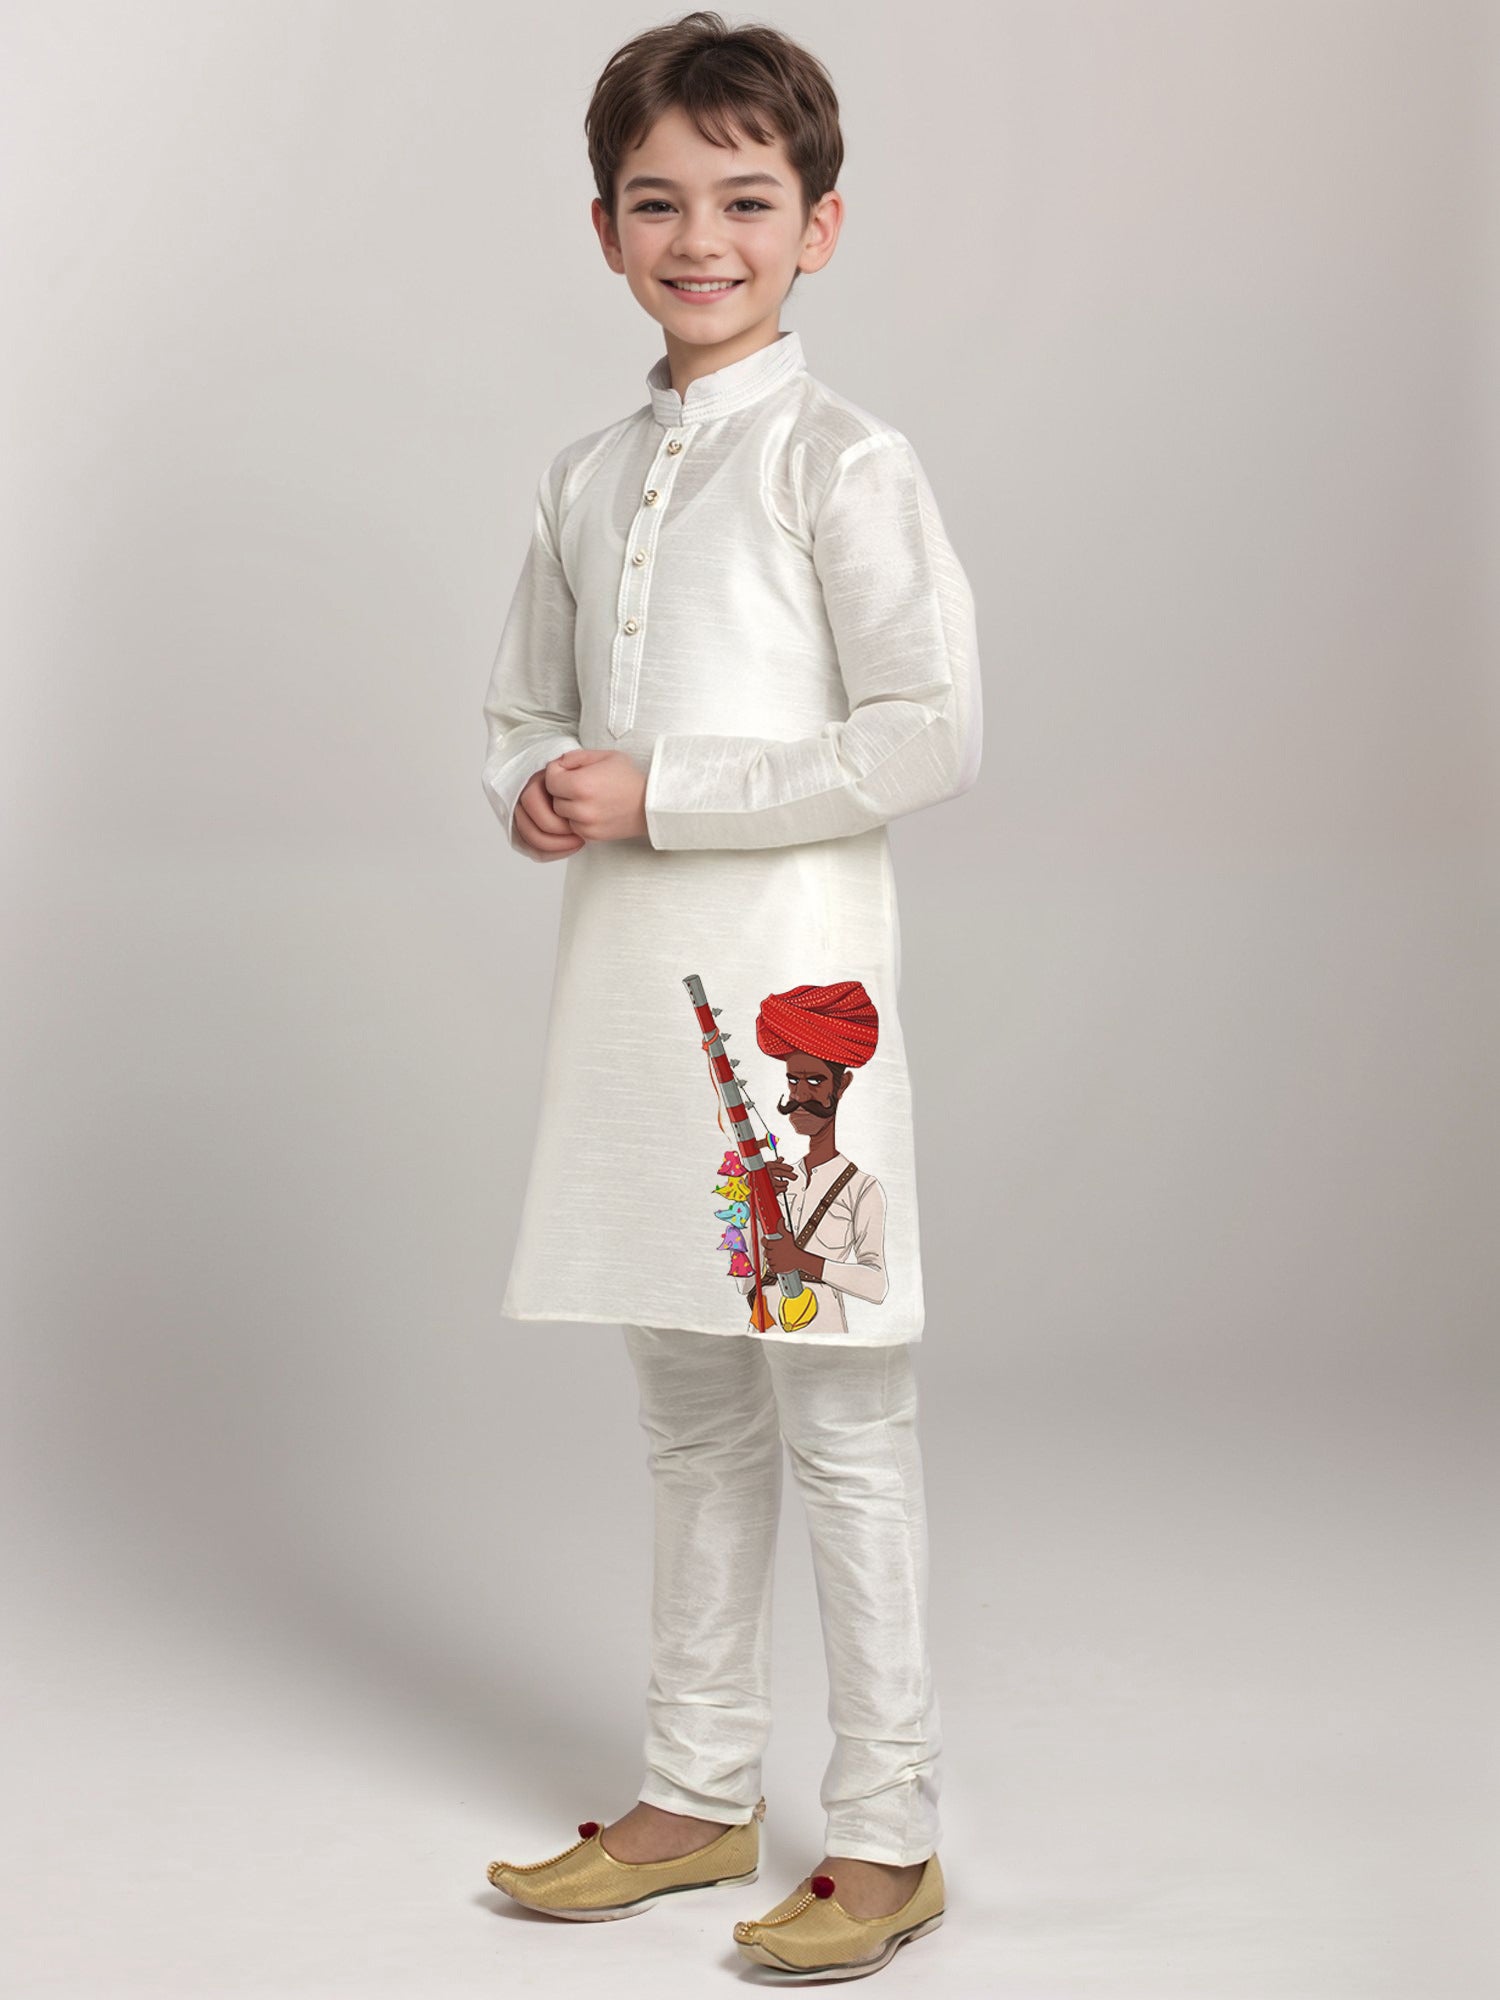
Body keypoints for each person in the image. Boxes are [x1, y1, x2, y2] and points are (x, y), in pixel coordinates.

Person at [479, 10, 981, 1979]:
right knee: (689, 1415)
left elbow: (928, 730)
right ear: (605, 228)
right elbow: (524, 706)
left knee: (843, 1421)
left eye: (747, 201)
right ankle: (695, 1792)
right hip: (632, 998)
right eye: (659, 202)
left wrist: (664, 791)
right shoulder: (587, 474)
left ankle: (888, 1829)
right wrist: (536, 784)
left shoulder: (844, 460)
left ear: (818, 227)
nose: (702, 238)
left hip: (793, 1021)